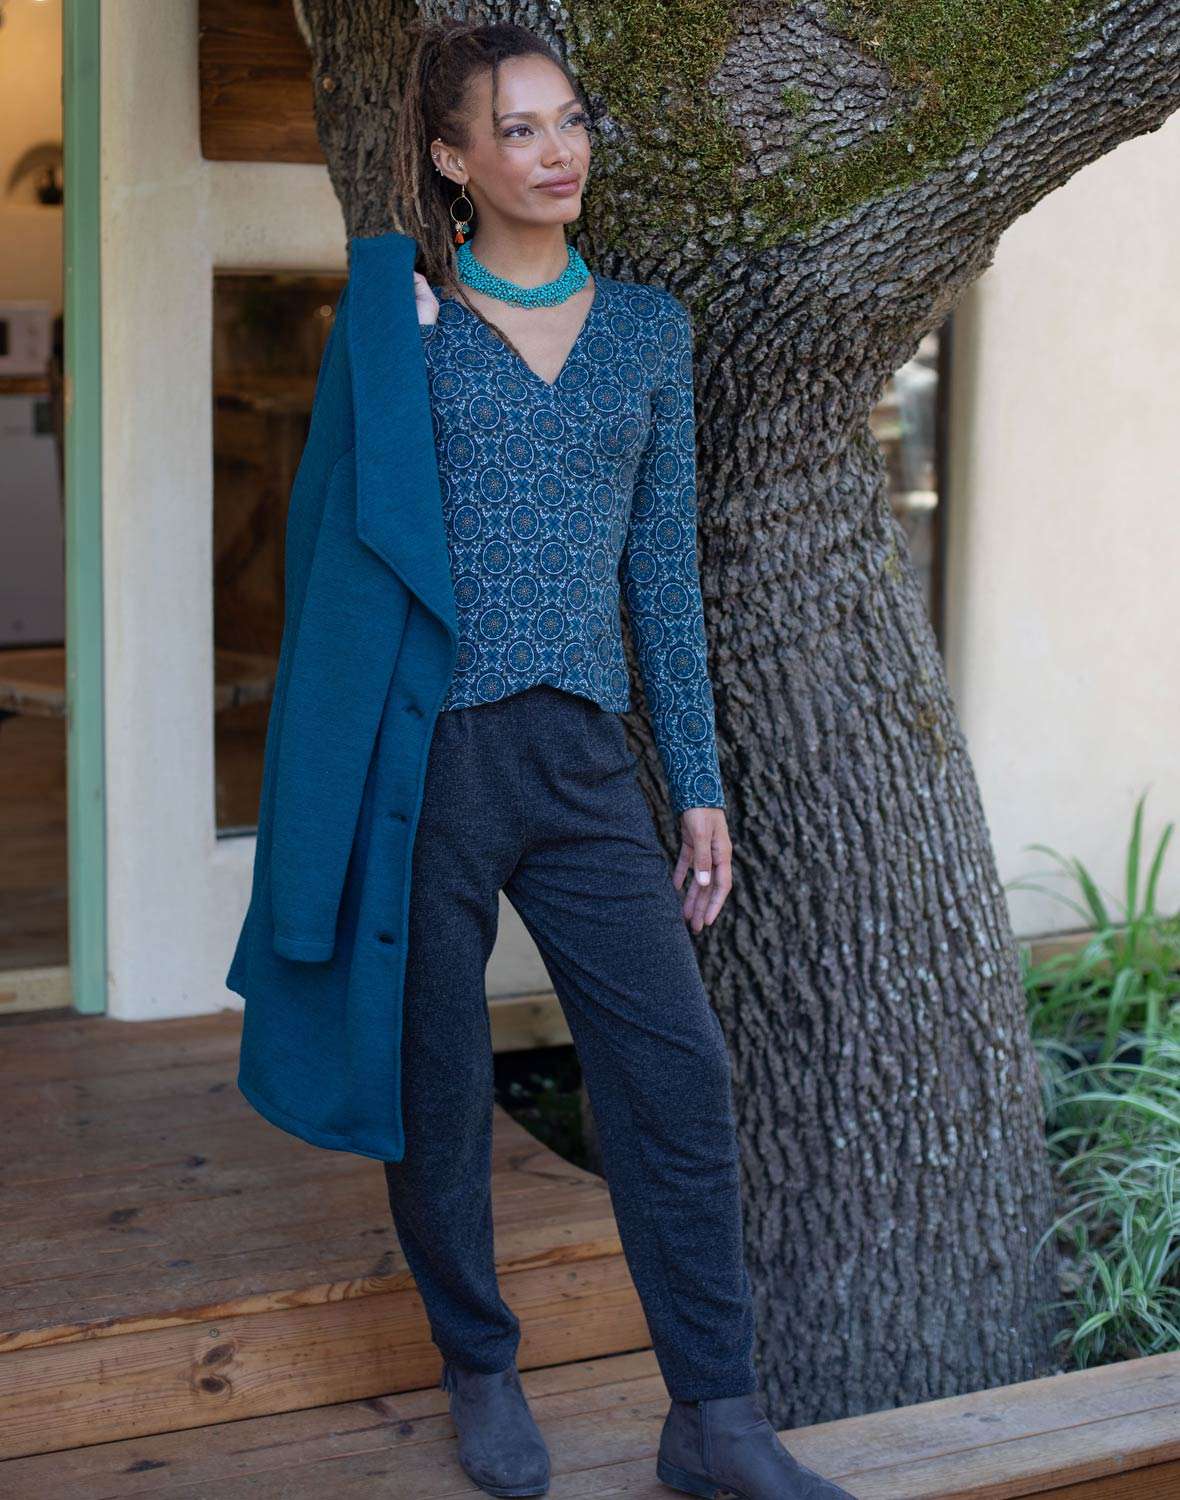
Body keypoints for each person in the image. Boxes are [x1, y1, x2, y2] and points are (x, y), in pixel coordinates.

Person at [369, 18, 855, 1500]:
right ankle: (479, 1364)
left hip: (584, 757)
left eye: (568, 120)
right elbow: (351, 550)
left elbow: (663, 575)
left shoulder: (648, 330)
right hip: (432, 756)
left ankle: (714, 1417)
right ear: (453, 158)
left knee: (676, 1070)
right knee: (436, 1079)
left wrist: (696, 782)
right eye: (518, 128)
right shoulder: (400, 321)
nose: (557, 150)